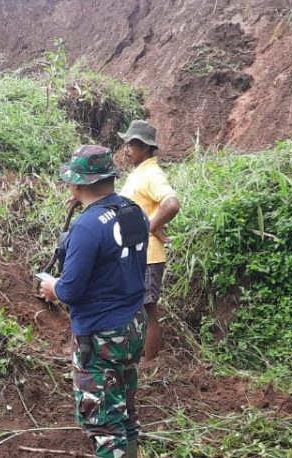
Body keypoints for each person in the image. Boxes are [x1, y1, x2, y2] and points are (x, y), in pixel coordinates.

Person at [39, 145, 148, 458]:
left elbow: (70, 291)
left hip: (100, 336)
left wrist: (52, 287)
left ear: (77, 184)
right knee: (124, 412)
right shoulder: (133, 210)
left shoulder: (87, 226)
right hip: (133, 325)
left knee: (103, 425)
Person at [117, 120, 180, 361]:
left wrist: (148, 229)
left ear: (145, 147)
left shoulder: (152, 174)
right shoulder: (139, 173)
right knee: (135, 310)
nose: (127, 149)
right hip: (134, 254)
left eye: (132, 144)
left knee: (147, 311)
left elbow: (171, 203)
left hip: (148, 256)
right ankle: (136, 359)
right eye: (127, 144)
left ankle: (151, 366)